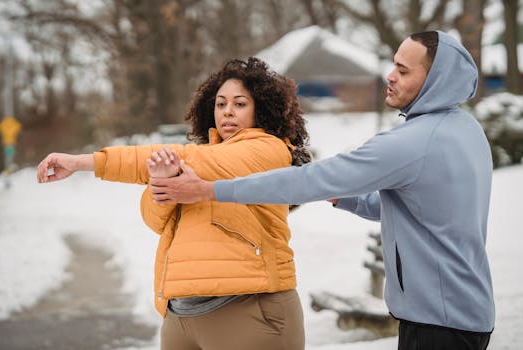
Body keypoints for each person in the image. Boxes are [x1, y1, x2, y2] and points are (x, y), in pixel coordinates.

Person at [148, 31, 495, 349]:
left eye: (403, 71)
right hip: (466, 309)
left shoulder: (413, 141)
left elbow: (309, 179)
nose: (390, 75)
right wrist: (342, 195)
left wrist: (209, 189)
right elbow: (415, 205)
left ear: (434, 80)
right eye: (393, 65)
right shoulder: (464, 128)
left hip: (437, 320)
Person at [37, 57, 312, 350]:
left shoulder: (268, 149)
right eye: (220, 104)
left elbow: (190, 159)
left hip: (248, 312)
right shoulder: (199, 161)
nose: (227, 112)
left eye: (240, 103)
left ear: (263, 108)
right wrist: (162, 183)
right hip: (182, 318)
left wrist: (83, 162)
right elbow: (155, 219)